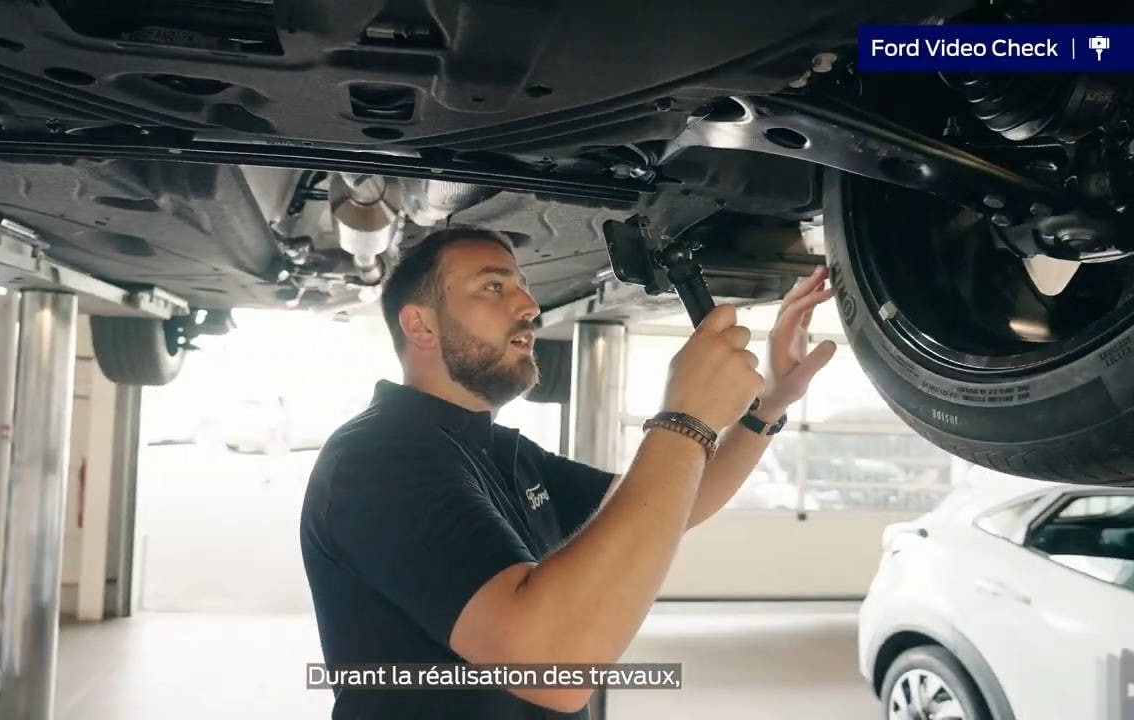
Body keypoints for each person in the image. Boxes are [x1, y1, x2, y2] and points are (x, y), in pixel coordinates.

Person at [300, 227, 838, 719]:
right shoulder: (376, 459)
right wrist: (684, 420)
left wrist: (769, 403)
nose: (530, 306)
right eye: (494, 287)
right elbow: (550, 668)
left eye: (523, 286)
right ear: (420, 324)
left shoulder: (502, 451)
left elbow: (675, 505)